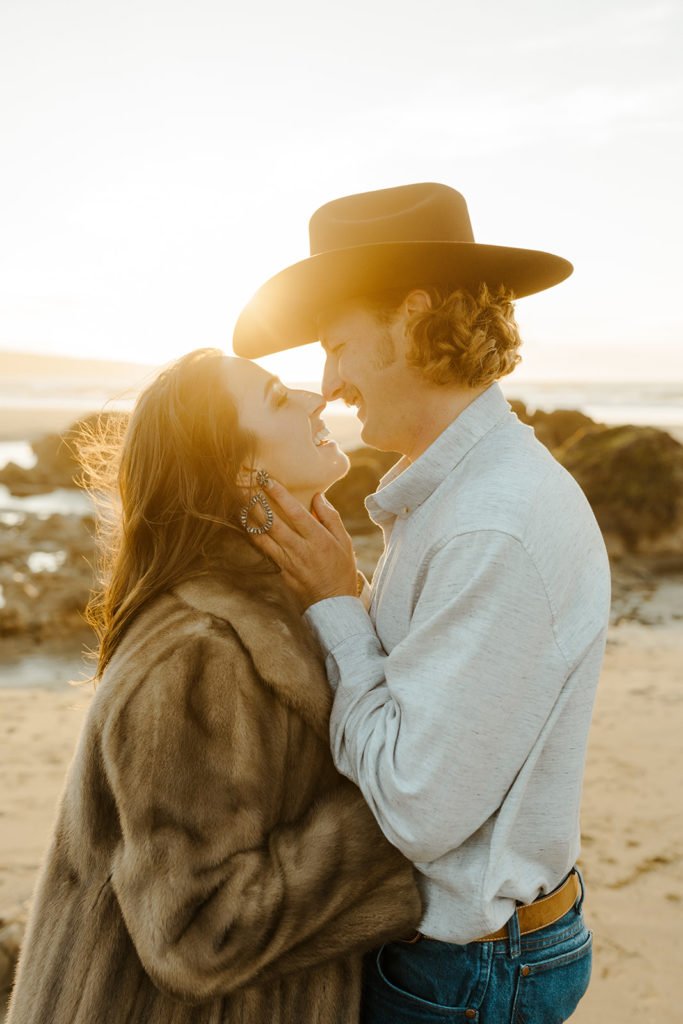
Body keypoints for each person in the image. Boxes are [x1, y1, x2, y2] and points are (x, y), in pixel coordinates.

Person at [232, 182, 612, 1022]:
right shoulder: (451, 495)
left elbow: (416, 805)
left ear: (411, 317)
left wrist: (337, 604)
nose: (327, 383)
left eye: (338, 346)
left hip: (465, 968)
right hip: (467, 956)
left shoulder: (492, 523)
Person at [6, 348, 421, 1024]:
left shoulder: (288, 603)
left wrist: (341, 595)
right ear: (237, 472)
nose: (315, 399)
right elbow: (197, 933)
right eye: (277, 399)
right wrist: (397, 809)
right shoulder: (200, 649)